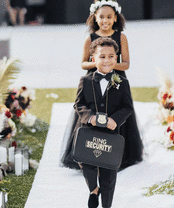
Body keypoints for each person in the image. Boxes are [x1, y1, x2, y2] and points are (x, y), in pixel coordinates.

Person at [61, 0, 143, 170]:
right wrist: (100, 65)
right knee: (93, 113)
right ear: (95, 18)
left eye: (109, 17)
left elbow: (126, 63)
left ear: (115, 18)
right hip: (94, 78)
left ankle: (118, 154)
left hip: (116, 80)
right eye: (101, 17)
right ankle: (90, 153)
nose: (105, 21)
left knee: (117, 112)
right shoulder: (90, 38)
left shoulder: (121, 37)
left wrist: (111, 66)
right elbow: (83, 63)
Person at [75, 37, 134, 208]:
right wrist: (89, 117)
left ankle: (106, 205)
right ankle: (93, 189)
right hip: (89, 132)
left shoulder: (122, 83)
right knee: (87, 165)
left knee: (108, 174)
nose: (106, 60)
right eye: (102, 57)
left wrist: (115, 120)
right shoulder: (85, 81)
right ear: (93, 59)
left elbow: (127, 106)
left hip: (110, 135)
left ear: (116, 58)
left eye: (111, 56)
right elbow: (79, 104)